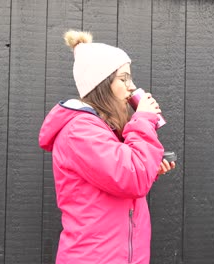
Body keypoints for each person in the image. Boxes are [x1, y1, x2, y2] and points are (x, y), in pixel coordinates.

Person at [39, 30, 175, 264]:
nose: (131, 88)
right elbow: (132, 177)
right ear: (101, 85)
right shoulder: (80, 131)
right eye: (124, 79)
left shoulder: (102, 128)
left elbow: (121, 180)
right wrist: (142, 119)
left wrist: (150, 168)